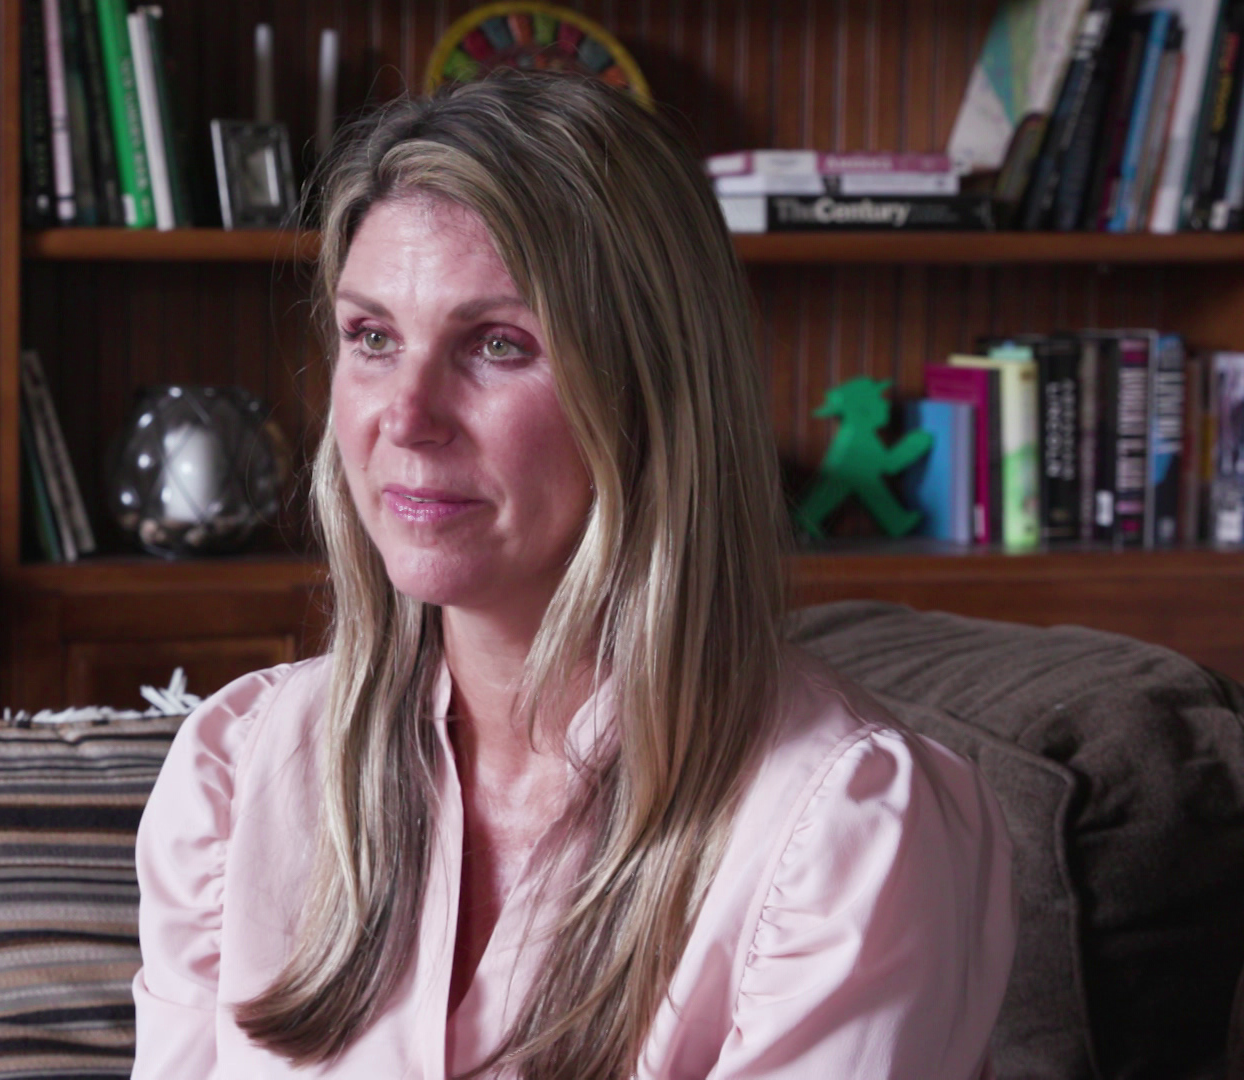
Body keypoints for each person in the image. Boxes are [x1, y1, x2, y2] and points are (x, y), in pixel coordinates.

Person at [131, 71, 1014, 1079]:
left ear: (649, 391)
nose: (406, 417)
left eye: (498, 345)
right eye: (372, 337)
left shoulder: (846, 832)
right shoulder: (235, 775)